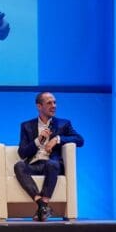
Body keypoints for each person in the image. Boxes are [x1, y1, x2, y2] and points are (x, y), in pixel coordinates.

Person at [13, 92, 84, 222]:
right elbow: (22, 153)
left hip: (52, 165)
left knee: (52, 164)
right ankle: (43, 205)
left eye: (55, 102)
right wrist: (38, 140)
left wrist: (57, 139)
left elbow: (80, 140)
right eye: (49, 103)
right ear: (39, 106)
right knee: (19, 165)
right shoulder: (26, 126)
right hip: (34, 164)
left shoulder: (64, 124)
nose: (54, 106)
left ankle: (42, 206)